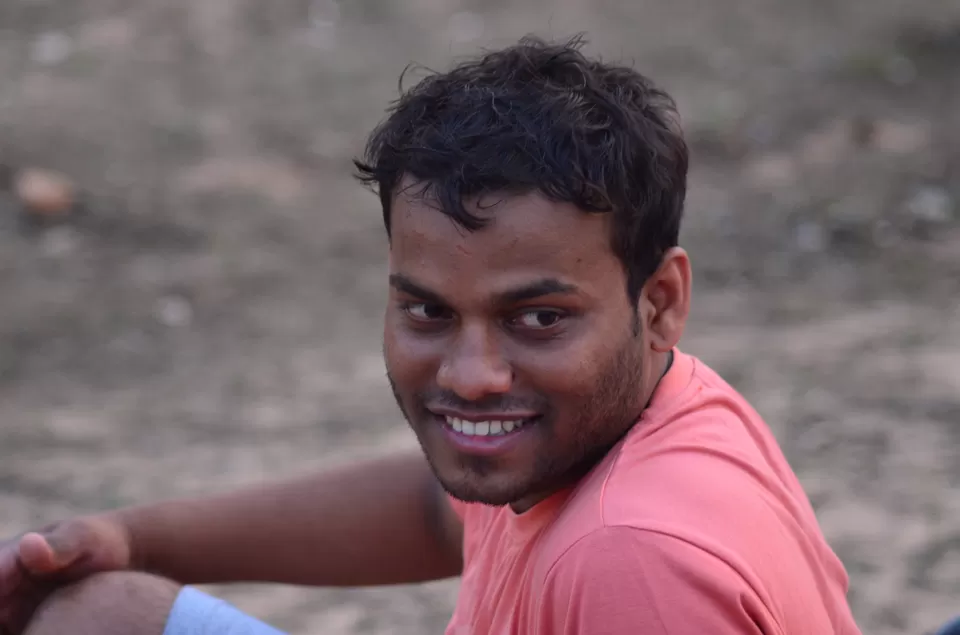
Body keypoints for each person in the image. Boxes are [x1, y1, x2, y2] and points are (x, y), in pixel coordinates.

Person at [0, 36, 863, 635]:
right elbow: (436, 512)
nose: (475, 374)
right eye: (428, 311)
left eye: (539, 318)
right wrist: (134, 538)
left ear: (660, 299)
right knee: (98, 614)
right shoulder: (606, 421)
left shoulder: (630, 559)